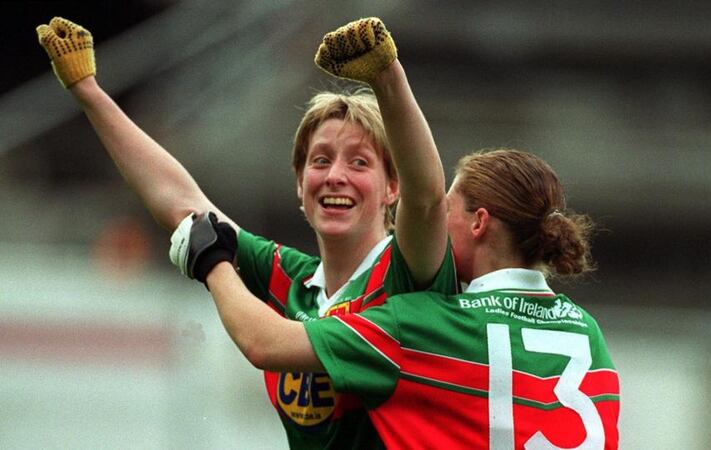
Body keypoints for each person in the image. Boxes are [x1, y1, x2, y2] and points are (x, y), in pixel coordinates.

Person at [36, 16, 459, 449]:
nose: (335, 176)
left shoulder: (407, 272)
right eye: (320, 160)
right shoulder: (291, 278)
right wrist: (88, 90)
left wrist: (388, 78)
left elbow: (427, 199)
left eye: (359, 163)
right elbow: (186, 206)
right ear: (299, 183)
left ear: (393, 187)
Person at [185, 148, 620, 449]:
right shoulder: (587, 331)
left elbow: (265, 342)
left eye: (445, 210)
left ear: (479, 224)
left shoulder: (430, 324)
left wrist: (212, 261)